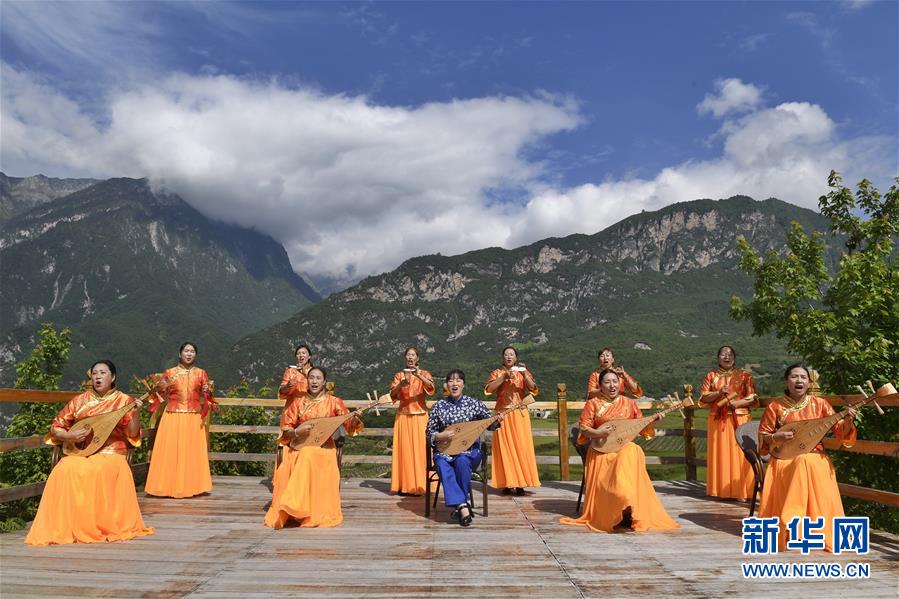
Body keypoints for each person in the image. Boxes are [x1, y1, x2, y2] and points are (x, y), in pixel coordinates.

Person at [25, 360, 154, 546]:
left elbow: (133, 434)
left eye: (103, 373)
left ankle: (98, 525)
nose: (98, 377)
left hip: (112, 452)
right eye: (95, 373)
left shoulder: (124, 401)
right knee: (65, 468)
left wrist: (135, 414)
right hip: (81, 451)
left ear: (113, 377)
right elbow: (57, 426)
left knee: (100, 469)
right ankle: (67, 525)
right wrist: (69, 435)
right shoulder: (79, 401)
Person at [560, 369, 679, 533]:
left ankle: (628, 506)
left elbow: (641, 428)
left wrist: (653, 421)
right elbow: (584, 429)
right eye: (607, 382)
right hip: (601, 451)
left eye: (615, 381)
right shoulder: (593, 403)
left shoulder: (629, 403)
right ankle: (620, 506)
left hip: (623, 450)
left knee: (633, 449)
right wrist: (598, 433)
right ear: (600, 385)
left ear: (620, 383)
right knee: (630, 454)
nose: (612, 385)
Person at [757, 364, 857, 552]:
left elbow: (840, 432)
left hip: (814, 455)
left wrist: (848, 421)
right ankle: (793, 525)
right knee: (801, 461)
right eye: (794, 376)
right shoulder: (775, 406)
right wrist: (777, 437)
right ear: (786, 381)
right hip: (784, 458)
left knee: (805, 461)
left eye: (803, 377)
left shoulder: (820, 404)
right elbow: (763, 439)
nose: (799, 380)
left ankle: (797, 522)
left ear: (809, 383)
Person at [265, 367, 363, 529]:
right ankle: (294, 507)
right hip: (300, 447)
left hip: (324, 449)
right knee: (298, 456)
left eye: (318, 378)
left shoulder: (334, 402)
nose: (315, 381)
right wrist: (297, 432)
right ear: (307, 381)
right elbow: (286, 429)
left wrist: (355, 419)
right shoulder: (298, 402)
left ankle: (297, 505)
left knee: (308, 453)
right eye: (311, 378)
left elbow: (349, 425)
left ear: (324, 382)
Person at [427, 369, 502, 527]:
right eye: (451, 381)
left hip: (469, 451)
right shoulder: (439, 406)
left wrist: (497, 420)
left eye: (458, 380)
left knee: (462, 460)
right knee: (442, 463)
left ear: (463, 384)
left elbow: (489, 424)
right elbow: (429, 434)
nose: (454, 384)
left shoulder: (474, 404)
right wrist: (440, 436)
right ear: (447, 385)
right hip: (445, 452)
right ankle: (463, 505)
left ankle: (459, 504)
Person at [145, 342, 214, 498]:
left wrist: (207, 391)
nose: (189, 354)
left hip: (193, 416)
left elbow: (208, 395)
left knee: (191, 452)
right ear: (180, 354)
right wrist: (159, 387)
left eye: (192, 351)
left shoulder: (201, 373)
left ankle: (193, 486)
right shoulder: (170, 372)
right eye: (186, 351)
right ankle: (165, 486)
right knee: (170, 451)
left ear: (195, 355)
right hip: (172, 415)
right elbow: (157, 396)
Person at [698, 345, 758, 500]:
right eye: (723, 354)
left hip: (741, 418)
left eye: (730, 354)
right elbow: (703, 397)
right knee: (721, 454)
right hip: (718, 420)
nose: (727, 357)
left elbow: (753, 397)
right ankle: (721, 490)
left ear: (735, 358)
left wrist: (737, 403)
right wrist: (718, 393)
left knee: (741, 454)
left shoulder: (744, 376)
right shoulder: (711, 376)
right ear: (718, 358)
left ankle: (743, 491)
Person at [484, 346, 540, 495]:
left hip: (519, 413)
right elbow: (489, 389)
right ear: (503, 357)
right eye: (506, 354)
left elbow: (533, 388)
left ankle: (521, 483)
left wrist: (525, 373)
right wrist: (503, 377)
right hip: (502, 413)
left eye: (512, 354)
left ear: (516, 358)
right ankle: (507, 482)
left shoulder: (522, 372)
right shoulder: (497, 372)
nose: (509, 356)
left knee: (521, 446)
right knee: (504, 448)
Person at [388, 346, 435, 496]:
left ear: (417, 358)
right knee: (405, 451)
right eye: (408, 355)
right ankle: (405, 485)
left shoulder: (424, 373)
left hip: (420, 415)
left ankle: (422, 484)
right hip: (403, 416)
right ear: (405, 358)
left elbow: (431, 387)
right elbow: (391, 395)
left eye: (413, 355)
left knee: (422, 450)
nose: (410, 357)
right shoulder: (399, 375)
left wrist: (418, 375)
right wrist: (400, 385)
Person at [278, 344, 313, 412]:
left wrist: (305, 373)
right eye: (298, 353)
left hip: (310, 408)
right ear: (296, 357)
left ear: (309, 356)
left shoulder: (315, 371)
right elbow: (281, 391)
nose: (301, 355)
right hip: (292, 409)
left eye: (304, 353)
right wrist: (287, 386)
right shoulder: (290, 371)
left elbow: (319, 389)